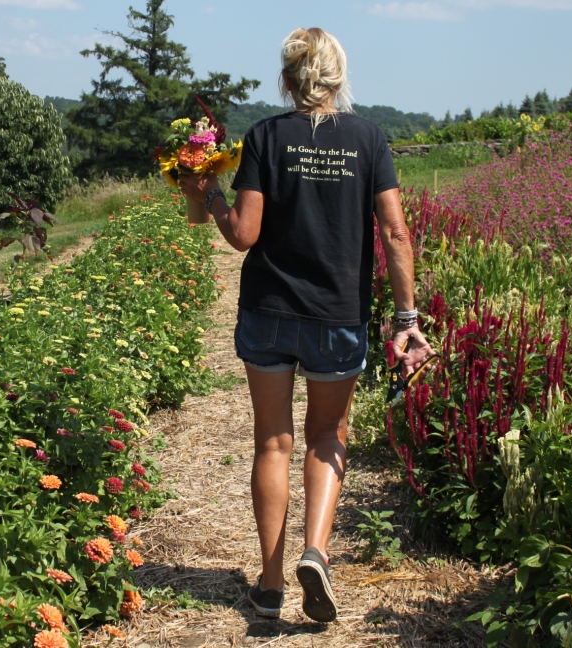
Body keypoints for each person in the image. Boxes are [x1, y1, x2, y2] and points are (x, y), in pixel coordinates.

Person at [177, 27, 434, 623]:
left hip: (268, 312)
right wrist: (407, 319)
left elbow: (243, 234)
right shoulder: (369, 139)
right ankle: (314, 552)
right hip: (336, 315)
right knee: (327, 436)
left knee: (273, 441)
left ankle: (269, 585)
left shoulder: (266, 136)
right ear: (338, 79)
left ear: (288, 80)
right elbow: (396, 233)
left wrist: (210, 194)